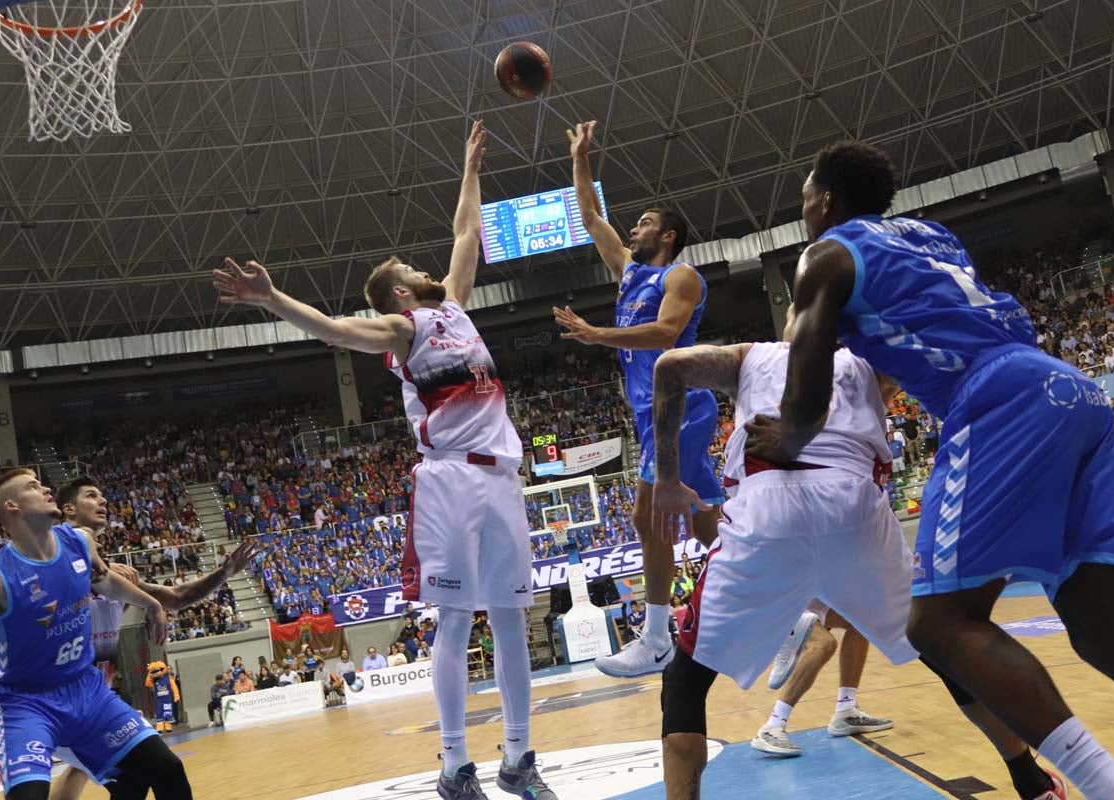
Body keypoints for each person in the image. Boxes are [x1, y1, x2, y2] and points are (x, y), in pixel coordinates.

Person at [747, 141, 1114, 799]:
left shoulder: (824, 254)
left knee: (939, 623)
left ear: (825, 201)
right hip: (1070, 390)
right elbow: (925, 330)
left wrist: (787, 439)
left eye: (805, 196)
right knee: (1098, 621)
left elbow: (803, 393)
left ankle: (1107, 786)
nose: (803, 208)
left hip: (998, 399)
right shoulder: (930, 234)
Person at [214, 120, 556, 800]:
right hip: (451, 482)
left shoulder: (454, 307)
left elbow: (465, 234)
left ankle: (518, 759)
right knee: (457, 621)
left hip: (501, 477)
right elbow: (337, 330)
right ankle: (455, 767)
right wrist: (273, 298)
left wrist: (470, 166)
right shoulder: (403, 329)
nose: (423, 270)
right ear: (400, 295)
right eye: (409, 272)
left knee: (514, 617)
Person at [652, 335, 1064, 800]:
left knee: (686, 677)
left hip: (768, 516)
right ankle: (1030, 781)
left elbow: (669, 365)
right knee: (946, 649)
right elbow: (958, 369)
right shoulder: (870, 361)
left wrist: (667, 480)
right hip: (854, 511)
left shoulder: (750, 357)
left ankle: (796, 634)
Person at [554, 120, 722, 679]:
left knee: (648, 517)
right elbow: (590, 216)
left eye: (646, 221)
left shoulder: (681, 276)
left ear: (668, 235)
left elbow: (668, 334)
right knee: (704, 526)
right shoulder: (628, 273)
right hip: (651, 411)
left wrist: (598, 334)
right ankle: (785, 605)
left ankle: (655, 639)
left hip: (682, 405)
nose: (634, 226)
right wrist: (580, 158)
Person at [0, 469, 193, 800]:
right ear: (12, 506)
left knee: (167, 768)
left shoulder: (81, 542)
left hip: (86, 689)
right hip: (26, 702)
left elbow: (105, 581)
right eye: (33, 487)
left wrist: (151, 603)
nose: (45, 489)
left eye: (42, 483)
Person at [49, 476, 258, 800]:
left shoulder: (112, 577)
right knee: (161, 768)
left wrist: (224, 574)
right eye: (91, 496)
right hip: (65, 703)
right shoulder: (63, 554)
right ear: (68, 509)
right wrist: (107, 571)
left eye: (103, 495)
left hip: (93, 701)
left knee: (125, 781)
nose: (102, 501)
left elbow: (176, 596)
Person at [752, 606, 893, 757]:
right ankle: (772, 726)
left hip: (808, 599)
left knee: (862, 622)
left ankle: (846, 710)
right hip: (780, 601)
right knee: (822, 644)